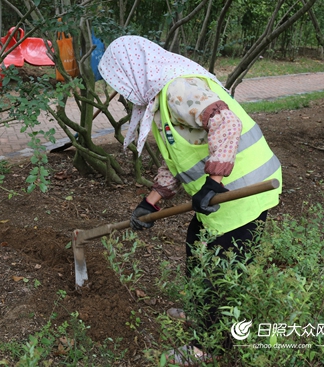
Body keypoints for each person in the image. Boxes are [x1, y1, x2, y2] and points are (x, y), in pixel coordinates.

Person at [98, 36, 282, 364]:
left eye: (120, 82)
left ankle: (206, 346)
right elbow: (178, 157)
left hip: (243, 194)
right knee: (196, 246)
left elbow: (226, 122)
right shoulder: (163, 100)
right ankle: (199, 310)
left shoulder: (177, 90)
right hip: (221, 200)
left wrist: (213, 182)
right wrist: (151, 200)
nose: (123, 92)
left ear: (135, 71)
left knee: (218, 270)